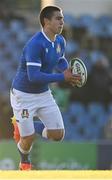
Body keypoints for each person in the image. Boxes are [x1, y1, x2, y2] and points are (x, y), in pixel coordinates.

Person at [10, 6, 81, 170]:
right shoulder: (35, 44)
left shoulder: (60, 41)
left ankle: (26, 124)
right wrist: (62, 77)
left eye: (62, 18)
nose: (62, 22)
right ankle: (25, 161)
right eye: (58, 18)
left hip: (43, 94)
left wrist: (66, 71)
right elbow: (33, 77)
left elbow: (60, 59)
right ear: (46, 22)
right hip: (23, 95)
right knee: (27, 139)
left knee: (58, 135)